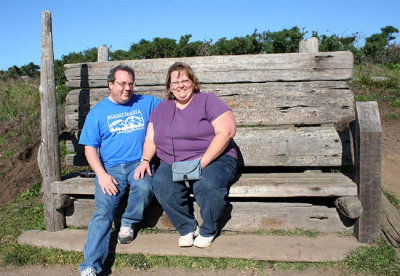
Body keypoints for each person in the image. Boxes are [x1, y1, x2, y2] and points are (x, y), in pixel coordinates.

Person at [134, 62, 237, 248]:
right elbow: (150, 140)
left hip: (215, 158)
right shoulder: (160, 109)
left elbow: (226, 131)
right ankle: (187, 227)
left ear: (193, 82)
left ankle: (209, 229)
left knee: (207, 184)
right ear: (169, 86)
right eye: (175, 82)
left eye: (185, 80)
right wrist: (145, 160)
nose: (181, 85)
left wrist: (201, 163)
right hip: (174, 161)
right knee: (161, 183)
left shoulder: (207, 100)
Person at [78, 65, 161, 276]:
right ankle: (90, 266)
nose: (127, 88)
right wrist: (102, 175)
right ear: (110, 84)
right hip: (110, 169)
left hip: (138, 162)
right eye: (122, 83)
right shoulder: (98, 112)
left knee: (145, 186)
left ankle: (128, 222)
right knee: (103, 212)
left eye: (131, 84)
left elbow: (176, 107)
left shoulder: (146, 102)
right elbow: (90, 149)